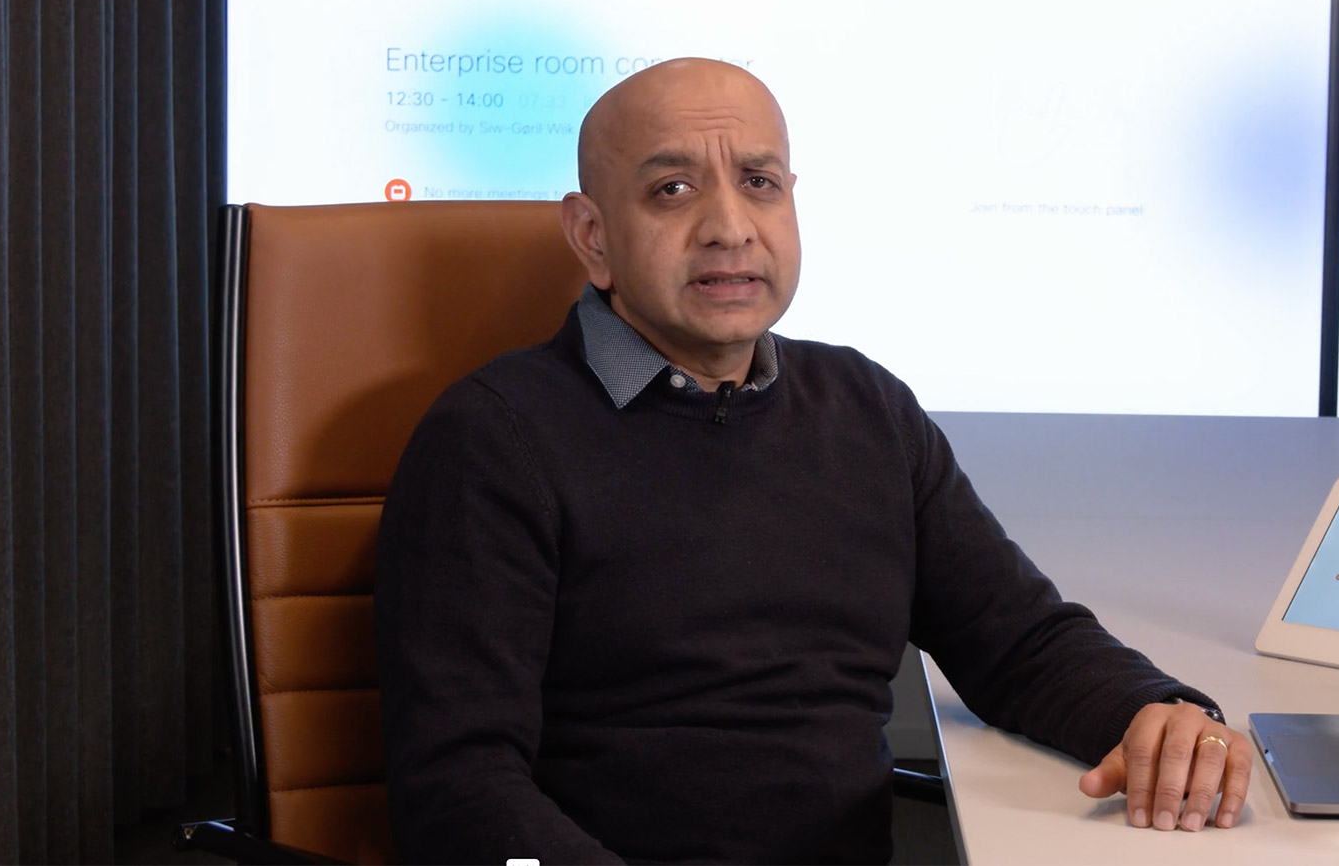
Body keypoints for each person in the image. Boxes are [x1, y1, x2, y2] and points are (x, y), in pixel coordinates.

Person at [374, 58, 1252, 865]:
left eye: (759, 183)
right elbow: (458, 791)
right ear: (593, 237)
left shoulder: (866, 408)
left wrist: (1162, 715)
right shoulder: (493, 440)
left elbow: (1018, 644)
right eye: (673, 189)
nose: (729, 228)